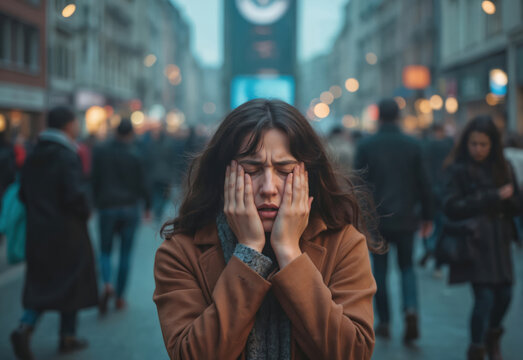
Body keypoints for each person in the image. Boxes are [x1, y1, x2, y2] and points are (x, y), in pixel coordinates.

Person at [153, 99, 381, 360]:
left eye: (285, 170)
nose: (269, 187)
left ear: (309, 175)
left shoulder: (343, 243)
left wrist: (289, 253)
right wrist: (248, 253)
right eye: (251, 170)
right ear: (222, 177)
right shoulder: (181, 252)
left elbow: (353, 353)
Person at [10, 106, 98, 359]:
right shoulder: (67, 155)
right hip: (68, 232)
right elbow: (74, 195)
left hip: (39, 232)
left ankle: (25, 326)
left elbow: (23, 194)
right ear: (68, 125)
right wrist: (85, 210)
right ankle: (67, 336)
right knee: (71, 282)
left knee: (42, 284)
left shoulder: (33, 153)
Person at [354, 98, 434, 343]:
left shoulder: (367, 145)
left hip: (377, 219)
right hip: (407, 217)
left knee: (379, 271)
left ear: (378, 116)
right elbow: (424, 183)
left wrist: (360, 218)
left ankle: (385, 321)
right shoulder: (413, 145)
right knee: (407, 267)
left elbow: (359, 185)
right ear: (399, 116)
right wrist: (428, 216)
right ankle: (410, 308)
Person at [442, 115, 520, 360]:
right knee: (484, 298)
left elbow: (516, 204)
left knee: (506, 296)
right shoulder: (459, 170)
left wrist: (510, 199)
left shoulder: (503, 167)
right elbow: (451, 206)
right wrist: (492, 197)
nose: (478, 149)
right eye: (473, 143)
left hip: (500, 241)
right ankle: (477, 348)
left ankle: (492, 337)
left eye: (483, 144)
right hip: (475, 243)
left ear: (492, 145)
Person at [91, 118, 151, 313]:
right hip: (129, 208)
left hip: (107, 207)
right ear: (131, 134)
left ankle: (107, 282)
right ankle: (119, 297)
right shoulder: (135, 154)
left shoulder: (101, 152)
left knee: (105, 251)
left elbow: (94, 179)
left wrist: (94, 203)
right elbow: (143, 183)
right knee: (125, 253)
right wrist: (148, 206)